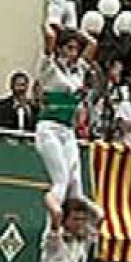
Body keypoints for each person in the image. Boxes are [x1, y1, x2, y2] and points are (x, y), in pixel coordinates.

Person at [36, 25, 97, 207]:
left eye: (76, 49)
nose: (74, 53)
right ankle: (52, 226)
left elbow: (93, 44)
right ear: (60, 48)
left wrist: (75, 31)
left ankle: (69, 229)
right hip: (49, 128)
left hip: (68, 130)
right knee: (60, 181)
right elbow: (47, 33)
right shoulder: (49, 67)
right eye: (69, 48)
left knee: (76, 185)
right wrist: (56, 24)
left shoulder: (78, 70)